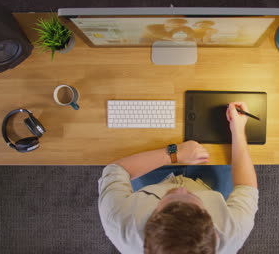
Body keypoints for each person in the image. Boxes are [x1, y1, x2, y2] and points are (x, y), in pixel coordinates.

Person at [98, 102, 258, 254]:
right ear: (216, 236)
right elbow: (246, 186)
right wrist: (237, 129)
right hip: (210, 185)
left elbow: (117, 169)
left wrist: (173, 154)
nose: (182, 190)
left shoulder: (120, 222)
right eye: (191, 198)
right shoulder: (232, 233)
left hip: (155, 178)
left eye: (170, 199)